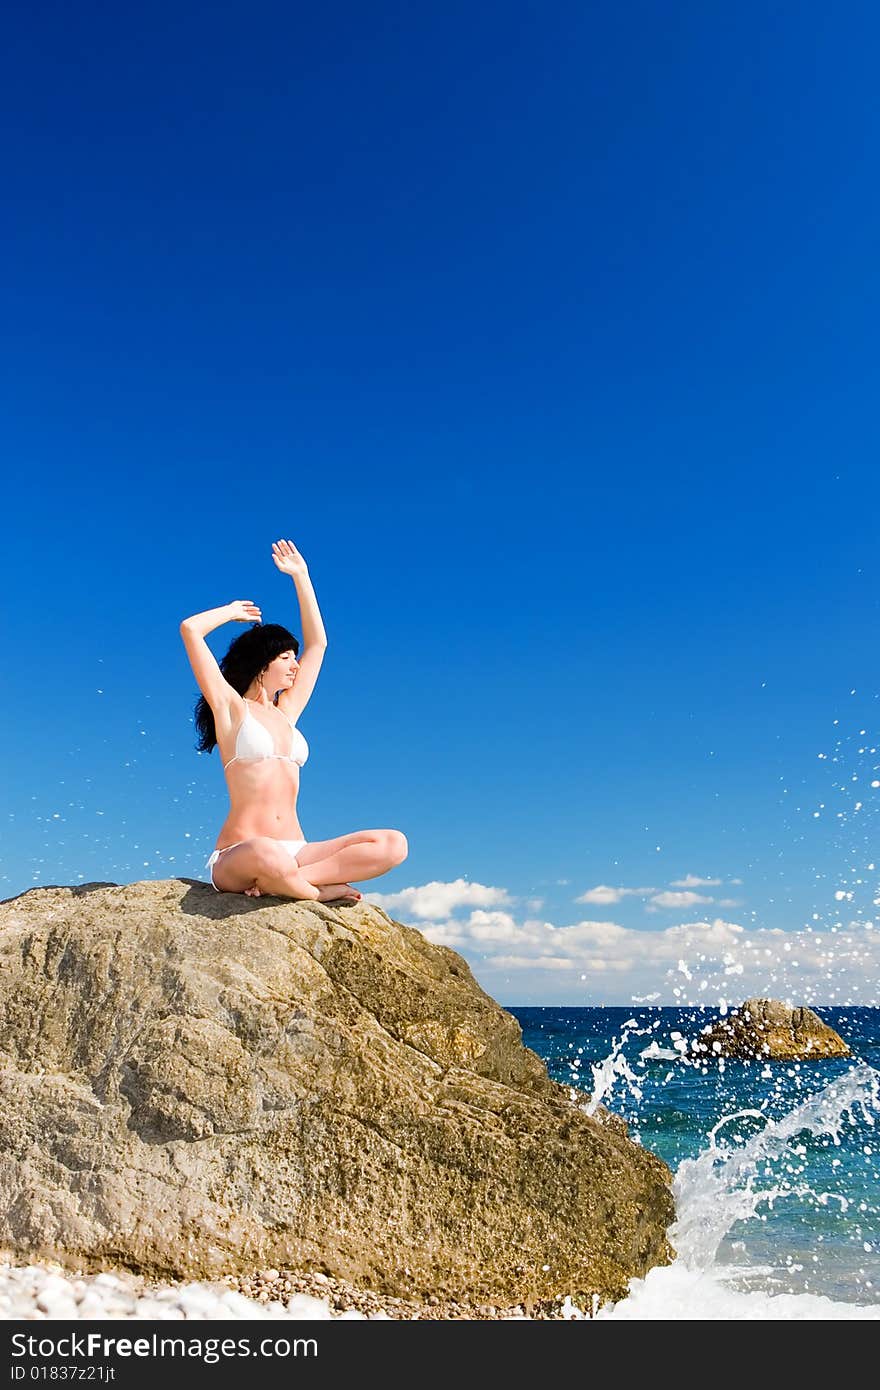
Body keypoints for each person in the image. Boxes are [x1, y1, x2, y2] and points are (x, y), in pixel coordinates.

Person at [180, 537, 408, 903]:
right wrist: (231, 611)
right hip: (241, 853)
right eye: (286, 657)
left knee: (392, 844)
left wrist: (301, 577)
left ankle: (293, 881)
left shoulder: (287, 714)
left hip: (297, 851)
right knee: (267, 853)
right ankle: (315, 893)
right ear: (262, 663)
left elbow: (318, 644)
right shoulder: (231, 709)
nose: (295, 664)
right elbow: (190, 629)